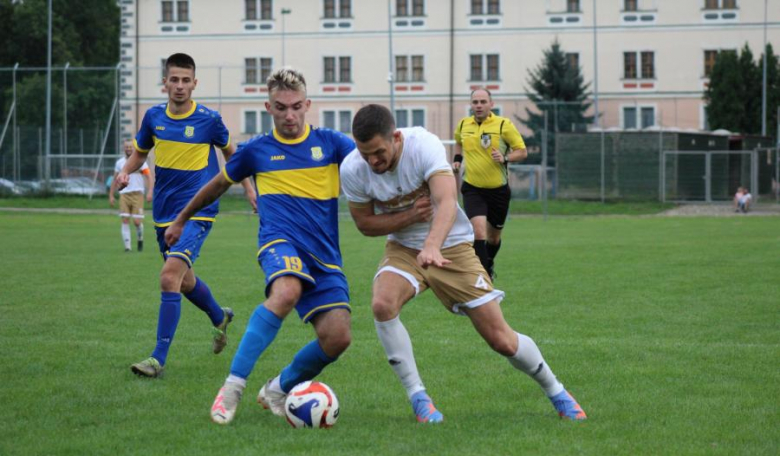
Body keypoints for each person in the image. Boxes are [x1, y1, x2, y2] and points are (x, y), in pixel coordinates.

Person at [340, 104, 586, 423]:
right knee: (382, 305)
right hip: (402, 247)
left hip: (452, 245)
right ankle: (419, 399)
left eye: (378, 151)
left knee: (501, 339)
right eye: (365, 153)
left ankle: (558, 393)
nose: (372, 161)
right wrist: (410, 217)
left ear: (396, 138)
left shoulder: (423, 145)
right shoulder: (352, 168)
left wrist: (432, 245)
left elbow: (446, 202)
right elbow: (364, 224)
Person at [164, 67, 356, 425]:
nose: (290, 115)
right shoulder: (256, 151)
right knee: (286, 291)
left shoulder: (332, 144)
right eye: (281, 108)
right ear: (269, 107)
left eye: (297, 106)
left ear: (308, 104)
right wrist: (181, 219)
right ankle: (232, 388)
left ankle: (277, 389)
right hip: (279, 241)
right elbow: (216, 185)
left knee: (338, 337)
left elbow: (372, 165)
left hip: (325, 254)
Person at [116, 52, 256, 378]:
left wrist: (249, 190)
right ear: (164, 82)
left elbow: (233, 157)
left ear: (195, 83)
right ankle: (219, 316)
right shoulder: (153, 118)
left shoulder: (209, 120)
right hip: (163, 213)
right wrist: (125, 172)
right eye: (174, 80)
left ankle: (157, 358)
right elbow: (139, 153)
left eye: (185, 80)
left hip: (199, 211)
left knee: (168, 277)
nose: (179, 86)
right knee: (183, 281)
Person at [452, 88, 527, 279]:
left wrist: (505, 157)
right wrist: (457, 159)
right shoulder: (463, 125)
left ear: (491, 104)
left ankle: (489, 263)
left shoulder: (503, 125)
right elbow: (458, 142)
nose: (478, 106)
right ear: (471, 105)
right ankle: (481, 277)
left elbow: (522, 151)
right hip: (472, 188)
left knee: (493, 238)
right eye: (475, 102)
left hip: (498, 191)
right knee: (478, 231)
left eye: (482, 102)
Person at [110, 140, 153, 252]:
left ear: (134, 148)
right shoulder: (119, 163)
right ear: (124, 148)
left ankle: (140, 238)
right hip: (124, 194)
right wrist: (111, 195)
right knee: (125, 219)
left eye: (130, 147)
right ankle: (127, 247)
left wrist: (150, 192)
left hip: (137, 194)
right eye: (126, 147)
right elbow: (115, 179)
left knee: (137, 222)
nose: (128, 149)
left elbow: (149, 177)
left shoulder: (140, 162)